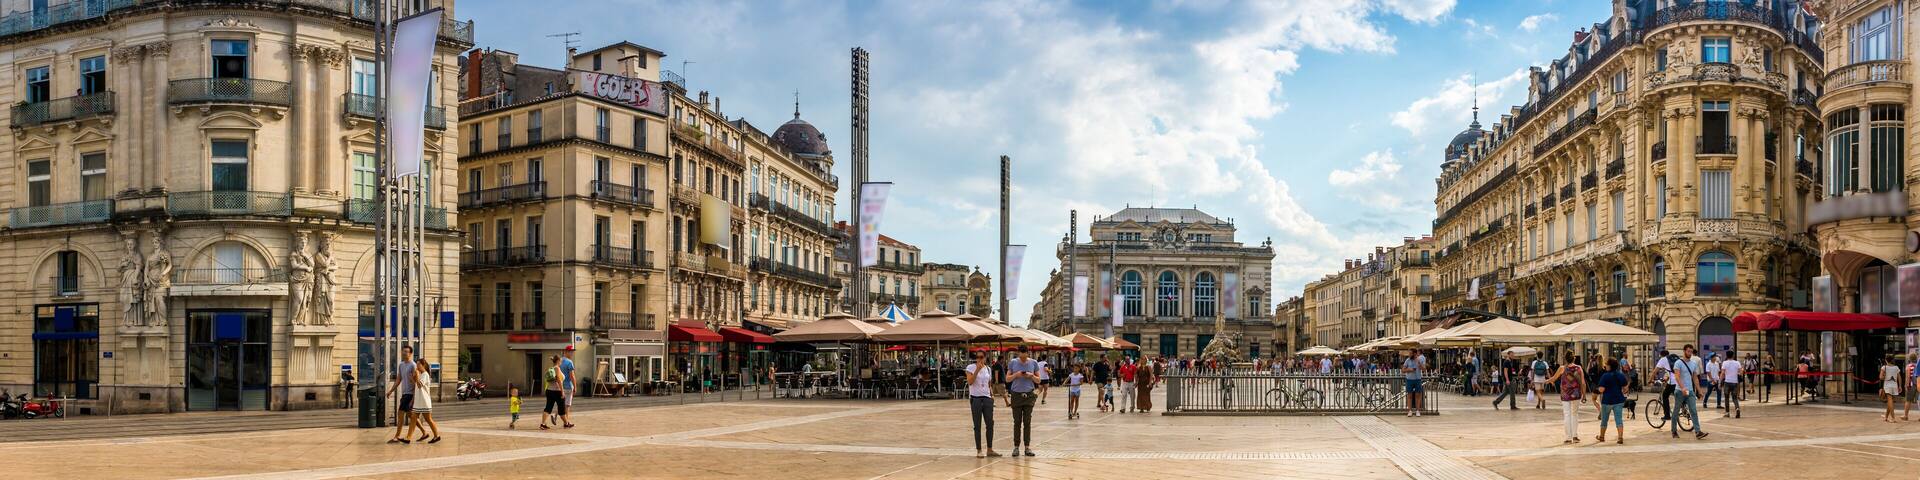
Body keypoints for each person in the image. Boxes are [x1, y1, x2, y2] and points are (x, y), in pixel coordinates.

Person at [963, 352, 1000, 458]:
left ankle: (990, 449)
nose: (979, 359)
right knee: (977, 425)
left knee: (990, 424)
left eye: (981, 357)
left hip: (987, 398)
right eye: (977, 357)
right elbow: (970, 382)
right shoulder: (971, 367)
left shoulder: (988, 369)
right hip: (976, 399)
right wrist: (977, 370)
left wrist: (992, 395)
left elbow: (989, 384)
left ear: (985, 358)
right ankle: (979, 450)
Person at [1006, 348, 1040, 457]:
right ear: (1018, 353)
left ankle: (1027, 447)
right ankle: (1016, 446)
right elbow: (1007, 379)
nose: (1023, 355)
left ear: (1028, 353)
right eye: (1021, 353)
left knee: (1027, 422)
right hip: (1016, 394)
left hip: (1029, 394)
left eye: (1025, 353)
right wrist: (1016, 375)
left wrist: (1031, 376)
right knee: (1017, 422)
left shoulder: (1034, 363)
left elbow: (1038, 380)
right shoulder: (1013, 362)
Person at [1546, 353, 1586, 444]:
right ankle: (1575, 436)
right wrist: (1584, 395)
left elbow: (1553, 378)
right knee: (1574, 414)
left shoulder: (1562, 368)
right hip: (1576, 394)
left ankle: (1568, 437)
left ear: (1565, 359)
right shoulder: (1579, 368)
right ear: (1574, 359)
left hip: (1565, 394)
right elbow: (1583, 383)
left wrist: (1546, 381)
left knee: (1567, 414)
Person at [1672, 346, 1708, 440]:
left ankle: (1698, 432)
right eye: (1688, 351)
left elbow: (1695, 378)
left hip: (1690, 391)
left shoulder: (1693, 363)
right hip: (1680, 391)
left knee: (1693, 411)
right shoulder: (1678, 363)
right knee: (1676, 411)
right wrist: (1682, 387)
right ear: (1684, 351)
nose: (1690, 353)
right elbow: (1677, 377)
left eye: (1691, 352)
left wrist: (1699, 391)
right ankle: (1674, 431)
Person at [385, 345, 418, 444]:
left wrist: (414, 397)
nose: (404, 353)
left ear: (411, 353)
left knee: (400, 414)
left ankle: (397, 436)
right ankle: (424, 432)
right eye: (403, 351)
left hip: (410, 394)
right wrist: (391, 390)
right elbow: (398, 379)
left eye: (407, 352)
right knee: (411, 415)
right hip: (404, 393)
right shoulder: (401, 365)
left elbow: (416, 382)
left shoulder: (413, 365)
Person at [1593, 358, 1627, 444]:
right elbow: (1625, 388)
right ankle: (1620, 437)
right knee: (1619, 419)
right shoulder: (1620, 375)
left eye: (1606, 364)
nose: (1605, 366)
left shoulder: (1605, 376)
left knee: (1604, 420)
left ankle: (1602, 437)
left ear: (1610, 366)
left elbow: (1601, 389)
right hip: (1619, 400)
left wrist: (1595, 392)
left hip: (1607, 401)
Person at [410, 361, 442, 443]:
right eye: (416, 364)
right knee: (413, 418)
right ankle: (408, 437)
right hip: (419, 402)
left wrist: (416, 377)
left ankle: (436, 435)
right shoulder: (421, 374)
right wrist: (414, 377)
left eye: (418, 364)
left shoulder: (425, 374)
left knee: (428, 419)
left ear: (423, 365)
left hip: (424, 401)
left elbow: (420, 385)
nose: (417, 366)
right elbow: (416, 385)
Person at [540, 355, 564, 430]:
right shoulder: (557, 368)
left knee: (548, 408)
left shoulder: (552, 368)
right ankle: (566, 423)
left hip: (549, 391)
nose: (561, 362)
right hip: (557, 391)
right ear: (558, 361)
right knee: (561, 407)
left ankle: (543, 424)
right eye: (560, 361)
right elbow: (559, 380)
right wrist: (562, 391)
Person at [1403, 349, 1427, 417]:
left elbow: (1424, 370)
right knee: (1409, 395)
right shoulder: (1407, 360)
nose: (1409, 354)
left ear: (1414, 354)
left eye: (1410, 353)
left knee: (1418, 395)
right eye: (1409, 353)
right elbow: (1403, 370)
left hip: (1417, 379)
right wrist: (1409, 369)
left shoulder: (1420, 360)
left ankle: (1417, 411)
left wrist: (1420, 365)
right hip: (1409, 379)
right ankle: (1410, 411)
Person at [559, 346, 577, 428]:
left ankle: (556, 415)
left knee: (561, 404)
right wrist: (575, 386)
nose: (572, 353)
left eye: (572, 351)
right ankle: (566, 423)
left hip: (560, 386)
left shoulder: (559, 361)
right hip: (568, 386)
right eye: (571, 352)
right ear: (566, 352)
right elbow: (572, 376)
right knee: (567, 405)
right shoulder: (569, 362)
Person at [1884, 355, 1905, 423]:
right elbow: (1899, 377)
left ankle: (1893, 418)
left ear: (1886, 360)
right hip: (1894, 385)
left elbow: (1880, 377)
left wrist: (1885, 376)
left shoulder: (1884, 367)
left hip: (1887, 385)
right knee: (1891, 401)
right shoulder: (1896, 367)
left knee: (1890, 401)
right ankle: (1886, 417)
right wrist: (1900, 386)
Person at [1720, 353, 1742, 418]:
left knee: (1726, 398)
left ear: (1726, 356)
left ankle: (1727, 412)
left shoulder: (1724, 363)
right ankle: (1737, 408)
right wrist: (1737, 374)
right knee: (1735, 397)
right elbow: (1741, 372)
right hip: (1735, 382)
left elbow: (1723, 373)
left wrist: (1720, 382)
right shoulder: (1737, 363)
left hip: (1727, 382)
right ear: (1733, 355)